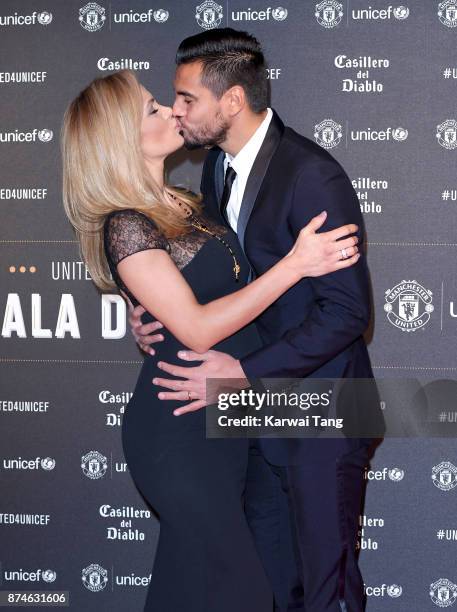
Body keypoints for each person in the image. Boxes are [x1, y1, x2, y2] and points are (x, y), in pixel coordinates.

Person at [60, 69, 360, 612]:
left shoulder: (190, 199)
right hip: (178, 427)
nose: (171, 112)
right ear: (119, 139)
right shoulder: (126, 224)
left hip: (228, 418)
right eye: (152, 109)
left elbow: (200, 287)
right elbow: (197, 326)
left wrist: (139, 306)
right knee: (236, 587)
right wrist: (295, 265)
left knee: (190, 581)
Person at [129, 28, 378, 612]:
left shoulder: (311, 174)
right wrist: (155, 315)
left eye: (188, 98)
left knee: (326, 592)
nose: (178, 111)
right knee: (273, 587)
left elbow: (347, 311)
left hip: (323, 411)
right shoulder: (216, 171)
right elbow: (223, 282)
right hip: (253, 419)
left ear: (233, 101)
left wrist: (244, 370)